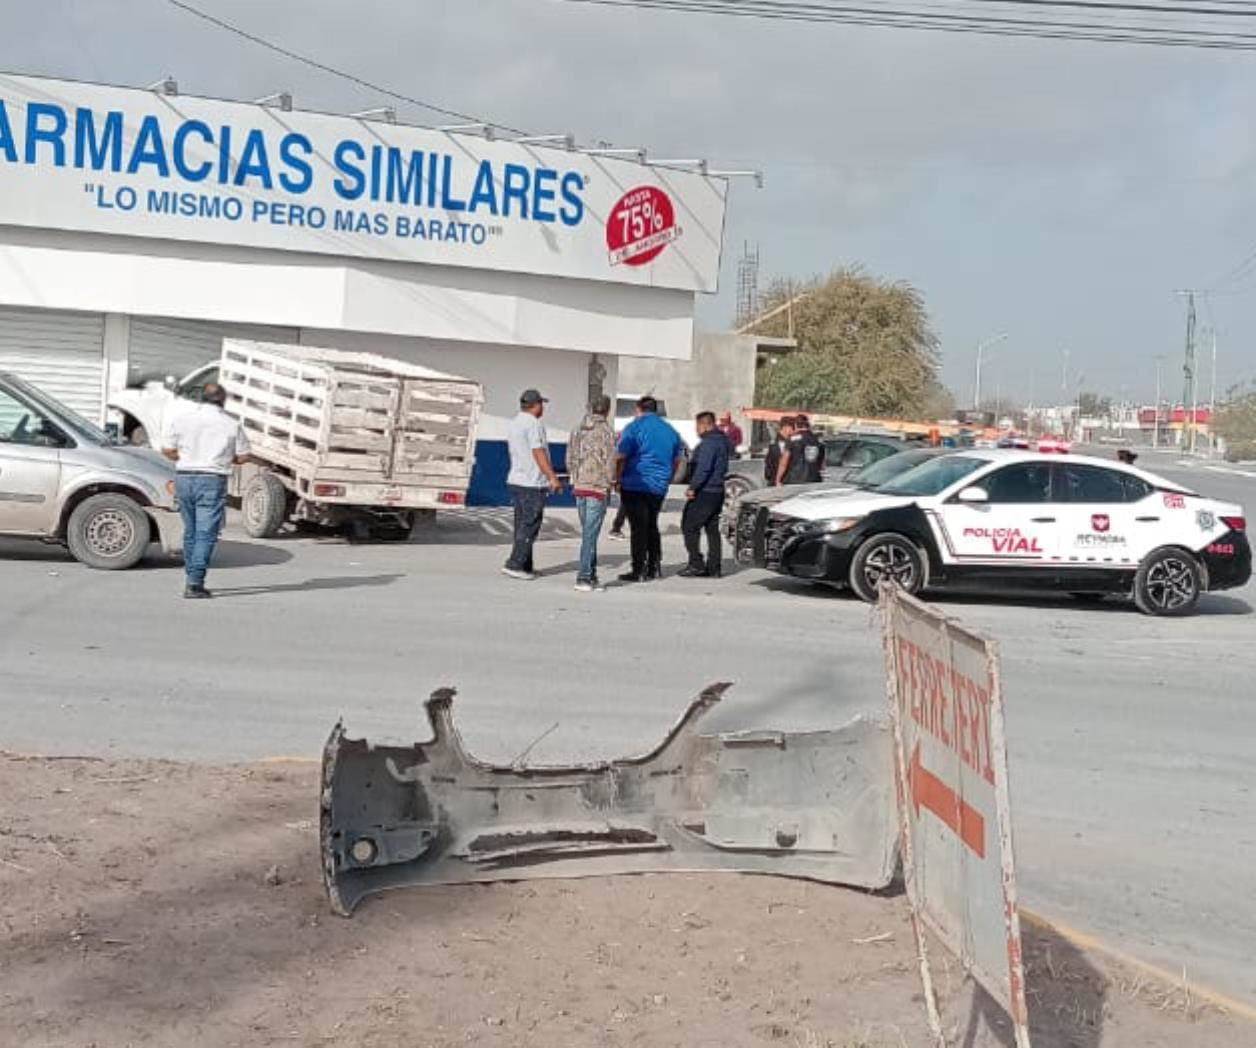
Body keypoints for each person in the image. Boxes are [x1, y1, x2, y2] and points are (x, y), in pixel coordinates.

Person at [161, 382, 255, 599]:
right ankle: (194, 583)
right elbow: (244, 456)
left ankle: (190, 575)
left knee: (191, 530)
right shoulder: (231, 424)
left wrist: (185, 459)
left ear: (201, 399)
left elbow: (167, 450)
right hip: (212, 479)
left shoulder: (182, 420)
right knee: (206, 533)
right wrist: (224, 458)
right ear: (222, 401)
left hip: (184, 478)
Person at [615, 396, 685, 583]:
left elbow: (621, 456)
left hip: (635, 483)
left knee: (638, 528)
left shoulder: (634, 427)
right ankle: (655, 566)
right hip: (658, 486)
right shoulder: (671, 431)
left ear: (638, 409)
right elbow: (677, 460)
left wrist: (617, 478)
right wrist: (667, 479)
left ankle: (638, 570)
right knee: (652, 524)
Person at [502, 388, 562, 581]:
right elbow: (538, 452)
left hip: (516, 480)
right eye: (541, 404)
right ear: (535, 405)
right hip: (532, 482)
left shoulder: (515, 423)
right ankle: (515, 564)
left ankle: (526, 565)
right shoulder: (533, 424)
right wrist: (552, 477)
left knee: (521, 525)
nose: (542, 407)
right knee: (530, 525)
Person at [565, 394, 617, 592]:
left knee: (589, 533)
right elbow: (611, 463)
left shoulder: (577, 430)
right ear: (607, 410)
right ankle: (584, 577)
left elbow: (569, 458)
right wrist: (612, 482)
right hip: (597, 488)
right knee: (590, 534)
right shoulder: (607, 433)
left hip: (579, 486)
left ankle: (592, 574)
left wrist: (576, 475)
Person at [679, 412, 731, 578]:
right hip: (717, 490)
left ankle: (696, 564)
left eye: (698, 426)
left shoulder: (709, 443)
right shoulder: (722, 441)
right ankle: (714, 567)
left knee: (689, 526)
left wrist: (693, 487)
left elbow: (704, 469)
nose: (696, 430)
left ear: (705, 425)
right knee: (711, 529)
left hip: (705, 491)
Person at [779, 413, 824, 485]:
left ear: (796, 425)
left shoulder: (792, 439)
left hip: (794, 479)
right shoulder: (818, 441)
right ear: (808, 425)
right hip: (814, 479)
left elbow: (784, 462)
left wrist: (778, 479)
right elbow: (821, 465)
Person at [764, 416, 794, 486]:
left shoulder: (776, 442)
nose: (794, 431)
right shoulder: (775, 444)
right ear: (786, 428)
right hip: (779, 481)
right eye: (793, 428)